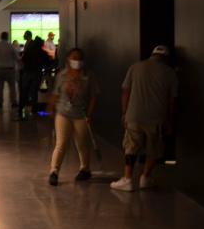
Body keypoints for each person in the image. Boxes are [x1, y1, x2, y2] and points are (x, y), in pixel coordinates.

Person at [111, 46, 179, 192]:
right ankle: (145, 177)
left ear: (152, 55)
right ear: (166, 58)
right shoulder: (170, 73)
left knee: (131, 147)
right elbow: (172, 100)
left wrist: (124, 112)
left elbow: (125, 90)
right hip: (157, 117)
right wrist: (170, 120)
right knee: (154, 149)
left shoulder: (135, 67)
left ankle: (127, 179)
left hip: (134, 115)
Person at [47, 48, 99, 186]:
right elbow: (56, 93)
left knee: (82, 143)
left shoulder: (88, 76)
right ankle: (54, 171)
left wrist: (90, 113)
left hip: (81, 115)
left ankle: (85, 169)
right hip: (63, 113)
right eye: (73, 58)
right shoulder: (62, 75)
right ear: (68, 60)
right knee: (61, 143)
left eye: (79, 58)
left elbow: (94, 95)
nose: (76, 61)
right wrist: (51, 107)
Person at [18, 37, 49, 120]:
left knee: (24, 91)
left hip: (27, 72)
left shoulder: (29, 50)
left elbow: (23, 59)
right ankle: (34, 108)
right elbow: (46, 61)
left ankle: (21, 109)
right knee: (34, 91)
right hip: (37, 73)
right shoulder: (42, 51)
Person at [0, 32, 18, 109]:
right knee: (12, 87)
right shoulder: (11, 46)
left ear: (0, 37)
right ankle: (13, 102)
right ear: (7, 37)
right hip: (10, 70)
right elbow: (17, 57)